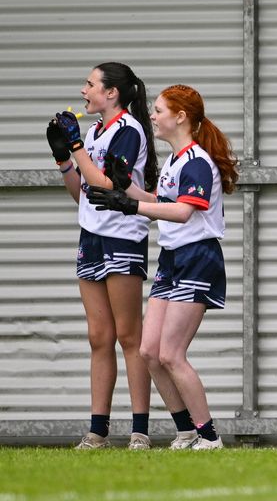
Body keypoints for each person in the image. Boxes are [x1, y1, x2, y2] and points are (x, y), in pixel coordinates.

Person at [87, 84, 238, 450]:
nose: (152, 116)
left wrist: (131, 208)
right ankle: (185, 429)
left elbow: (184, 212)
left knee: (171, 353)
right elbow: (162, 200)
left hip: (198, 257)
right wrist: (127, 190)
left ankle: (209, 436)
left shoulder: (197, 161)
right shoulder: (174, 160)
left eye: (158, 111)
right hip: (171, 259)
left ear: (180, 117)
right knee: (149, 352)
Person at [47, 62, 157, 449]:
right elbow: (84, 194)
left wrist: (77, 147)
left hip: (122, 237)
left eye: (90, 84)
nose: (84, 91)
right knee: (99, 336)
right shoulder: (95, 131)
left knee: (129, 335)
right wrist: (64, 159)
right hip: (91, 235)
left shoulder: (129, 130)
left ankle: (140, 430)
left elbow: (108, 185)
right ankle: (97, 430)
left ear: (112, 93)